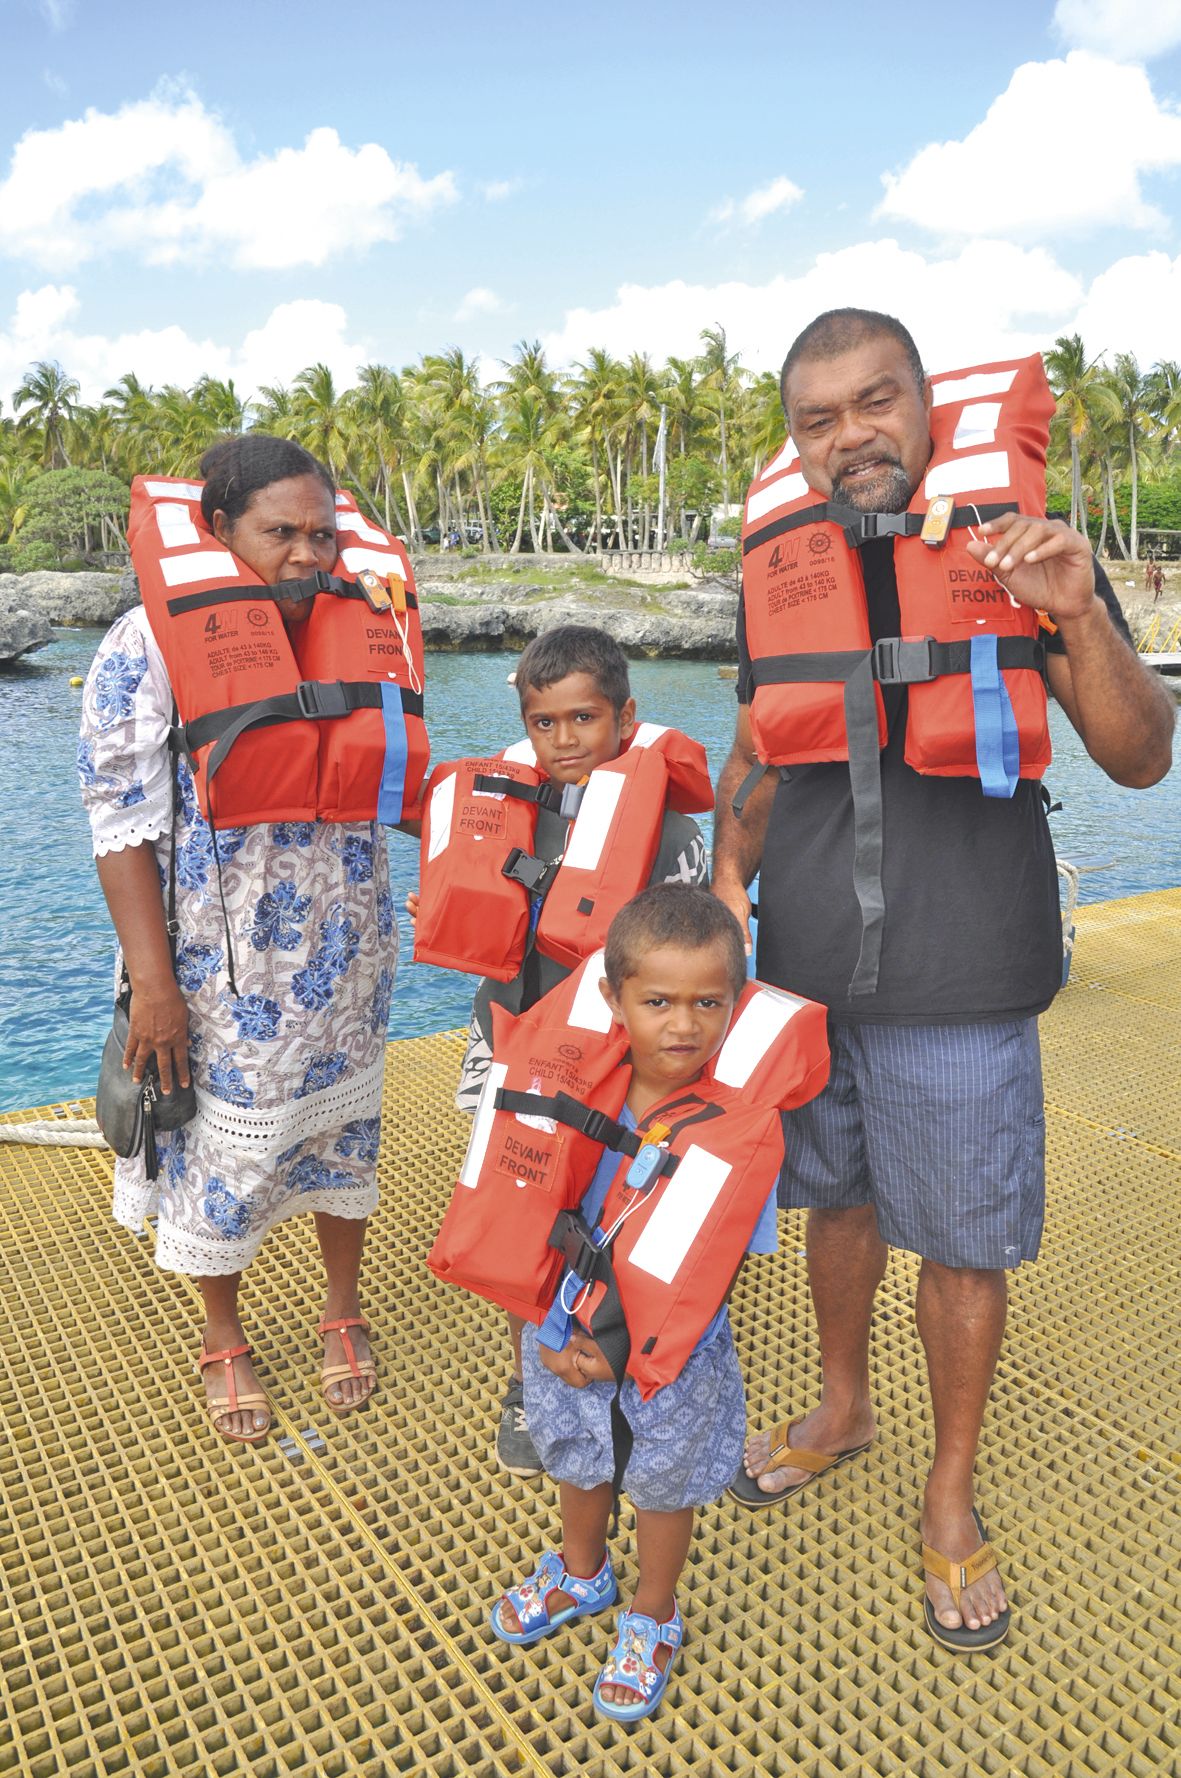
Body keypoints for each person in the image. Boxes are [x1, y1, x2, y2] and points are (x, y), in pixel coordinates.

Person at [712, 308, 1174, 1650]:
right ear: (795, 446)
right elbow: (757, 745)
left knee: (962, 1238)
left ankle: (951, 1486)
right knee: (836, 1200)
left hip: (961, 960)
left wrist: (1077, 612)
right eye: (817, 419)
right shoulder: (778, 562)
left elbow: (1143, 757)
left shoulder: (1016, 555)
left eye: (875, 401)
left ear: (926, 404)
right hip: (803, 959)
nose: (850, 435)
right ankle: (843, 1404)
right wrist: (716, 894)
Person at [80, 435, 425, 1444]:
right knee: (217, 1154)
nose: (308, 554)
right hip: (214, 967)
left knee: (344, 1135)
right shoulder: (146, 641)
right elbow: (118, 822)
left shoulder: (362, 629)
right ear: (219, 529)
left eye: (323, 533)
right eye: (281, 532)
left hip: (348, 947)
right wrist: (153, 982)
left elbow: (393, 780)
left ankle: (341, 1306)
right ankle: (222, 1335)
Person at [410, 625, 708, 1477]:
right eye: (546, 724)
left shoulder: (670, 830)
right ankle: (525, 1379)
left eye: (585, 719)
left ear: (626, 717)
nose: (567, 741)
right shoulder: (505, 806)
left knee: (622, 1214)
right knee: (522, 1211)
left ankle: (624, 1353)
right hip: (514, 1042)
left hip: (619, 1059)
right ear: (526, 726)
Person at [487, 886, 786, 1722]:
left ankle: (653, 1612)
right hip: (560, 1333)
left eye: (707, 1004)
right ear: (614, 1000)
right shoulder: (570, 1091)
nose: (682, 1026)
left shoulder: (738, 1130)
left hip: (671, 1354)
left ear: (736, 1006)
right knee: (575, 1457)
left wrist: (623, 1345)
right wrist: (547, 1332)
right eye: (657, 1002)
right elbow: (520, 1222)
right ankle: (582, 1573)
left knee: (663, 1483)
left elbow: (714, 1266)